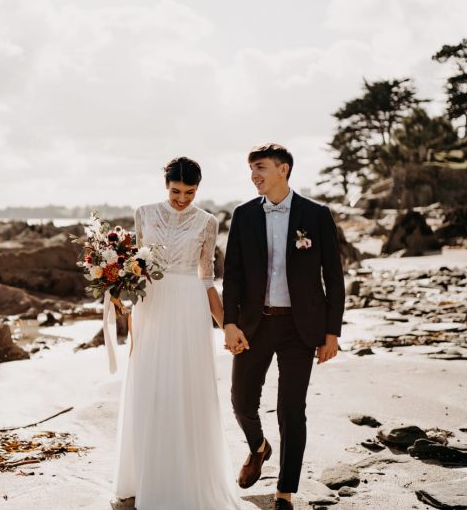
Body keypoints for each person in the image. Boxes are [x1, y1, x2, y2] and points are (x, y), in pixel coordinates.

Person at [222, 144, 345, 510]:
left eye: (260, 168)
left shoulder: (317, 215)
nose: (254, 175)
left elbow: (333, 278)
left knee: (292, 410)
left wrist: (331, 333)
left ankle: (284, 492)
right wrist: (229, 322)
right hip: (253, 325)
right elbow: (232, 275)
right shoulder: (242, 216)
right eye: (250, 170)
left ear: (283, 169)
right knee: (241, 401)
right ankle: (259, 446)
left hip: (300, 327)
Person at [114, 157, 240, 509]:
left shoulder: (207, 222)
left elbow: (206, 279)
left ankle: (184, 481)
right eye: (175, 191)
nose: (182, 198)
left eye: (189, 192)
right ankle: (145, 478)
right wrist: (117, 294)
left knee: (185, 389)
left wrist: (227, 325)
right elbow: (137, 269)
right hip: (151, 306)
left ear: (198, 188)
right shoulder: (144, 213)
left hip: (188, 309)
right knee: (149, 386)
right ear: (165, 185)